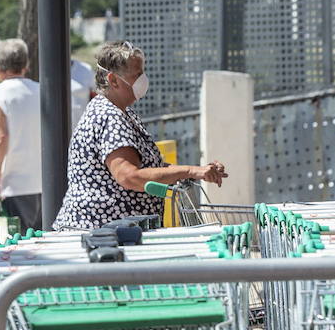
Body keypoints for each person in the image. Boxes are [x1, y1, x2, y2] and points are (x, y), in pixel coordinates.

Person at [53, 41, 227, 231]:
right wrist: (191, 171)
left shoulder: (123, 113)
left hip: (117, 232)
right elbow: (129, 176)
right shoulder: (109, 116)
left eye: (142, 73)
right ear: (113, 80)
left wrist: (199, 170)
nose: (143, 79)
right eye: (136, 75)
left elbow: (151, 167)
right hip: (101, 233)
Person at [0, 38, 43, 232]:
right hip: (43, 182)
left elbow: (2, 137)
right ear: (26, 65)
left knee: (18, 247)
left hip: (13, 184)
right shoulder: (41, 91)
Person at [70, 58, 96, 129]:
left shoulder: (86, 69)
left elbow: (97, 97)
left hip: (81, 130)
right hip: (55, 132)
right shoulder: (46, 70)